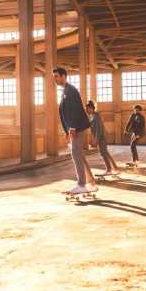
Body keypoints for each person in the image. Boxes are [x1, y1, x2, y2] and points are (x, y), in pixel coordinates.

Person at [53, 67, 97, 195]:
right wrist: (67, 131)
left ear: (63, 76)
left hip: (76, 127)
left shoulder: (70, 90)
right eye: (54, 76)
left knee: (76, 154)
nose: (54, 79)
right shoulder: (65, 91)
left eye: (56, 76)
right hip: (74, 128)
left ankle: (81, 184)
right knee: (79, 155)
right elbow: (65, 112)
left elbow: (76, 109)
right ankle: (91, 183)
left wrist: (72, 127)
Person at [86, 100, 119, 176]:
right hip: (100, 136)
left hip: (101, 137)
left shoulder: (96, 115)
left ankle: (109, 170)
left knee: (103, 153)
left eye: (87, 109)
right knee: (106, 152)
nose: (86, 110)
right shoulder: (92, 116)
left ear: (91, 108)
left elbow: (99, 128)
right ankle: (115, 167)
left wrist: (96, 140)